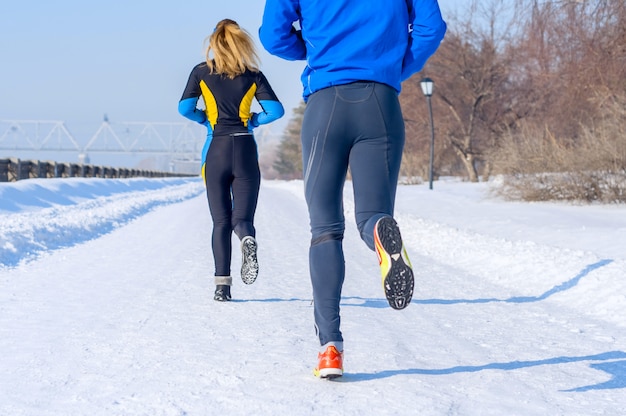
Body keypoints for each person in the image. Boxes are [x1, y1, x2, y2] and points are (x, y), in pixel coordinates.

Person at [259, 1, 446, 378]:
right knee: (372, 214)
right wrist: (390, 64)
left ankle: (330, 349)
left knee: (325, 229)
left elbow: (273, 36)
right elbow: (431, 28)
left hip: (325, 104)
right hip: (381, 102)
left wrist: (314, 47)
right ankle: (379, 230)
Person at [179, 18, 284, 302]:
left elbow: (185, 107)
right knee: (242, 218)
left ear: (214, 43)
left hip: (216, 149)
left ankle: (222, 287)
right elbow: (276, 111)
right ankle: (247, 238)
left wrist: (205, 119)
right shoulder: (253, 75)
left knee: (220, 222)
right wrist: (253, 121)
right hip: (245, 148)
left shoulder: (202, 72)